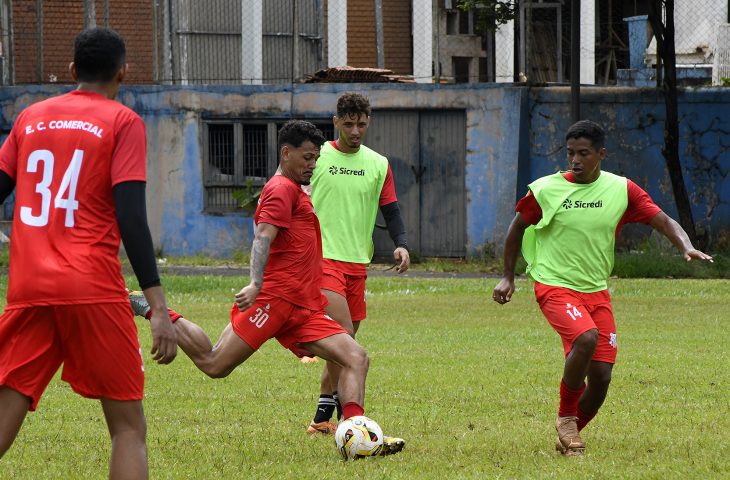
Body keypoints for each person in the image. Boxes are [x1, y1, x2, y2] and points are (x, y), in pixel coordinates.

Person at [129, 120, 405, 456]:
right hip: (274, 302)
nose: (312, 165)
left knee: (355, 357)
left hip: (302, 307)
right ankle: (152, 307)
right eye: (306, 158)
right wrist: (256, 284)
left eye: (316, 158)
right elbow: (262, 238)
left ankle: (359, 435)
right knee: (215, 364)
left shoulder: (294, 188)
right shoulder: (280, 189)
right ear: (285, 153)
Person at [0, 28, 177, 479]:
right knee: (127, 429)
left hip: (29, 287)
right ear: (123, 72)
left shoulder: (29, 118)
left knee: (9, 400)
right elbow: (132, 218)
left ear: (74, 70)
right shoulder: (122, 121)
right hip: (92, 288)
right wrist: (157, 306)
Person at [492, 120, 713, 456]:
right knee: (586, 337)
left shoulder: (621, 190)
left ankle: (570, 437)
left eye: (584, 153)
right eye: (570, 153)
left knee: (601, 378)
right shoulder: (546, 190)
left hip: (596, 291)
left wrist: (685, 245)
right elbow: (516, 227)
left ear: (601, 154)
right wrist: (508, 275)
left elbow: (663, 219)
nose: (575, 160)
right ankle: (566, 417)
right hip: (554, 286)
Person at [305, 92, 410, 435]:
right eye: (348, 124)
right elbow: (285, 194)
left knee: (341, 343)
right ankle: (352, 422)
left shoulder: (378, 163)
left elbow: (390, 209)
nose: (355, 131)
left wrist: (401, 244)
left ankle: (322, 414)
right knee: (345, 339)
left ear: (368, 123)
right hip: (322, 261)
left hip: (356, 264)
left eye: (361, 124)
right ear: (335, 122)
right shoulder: (315, 158)